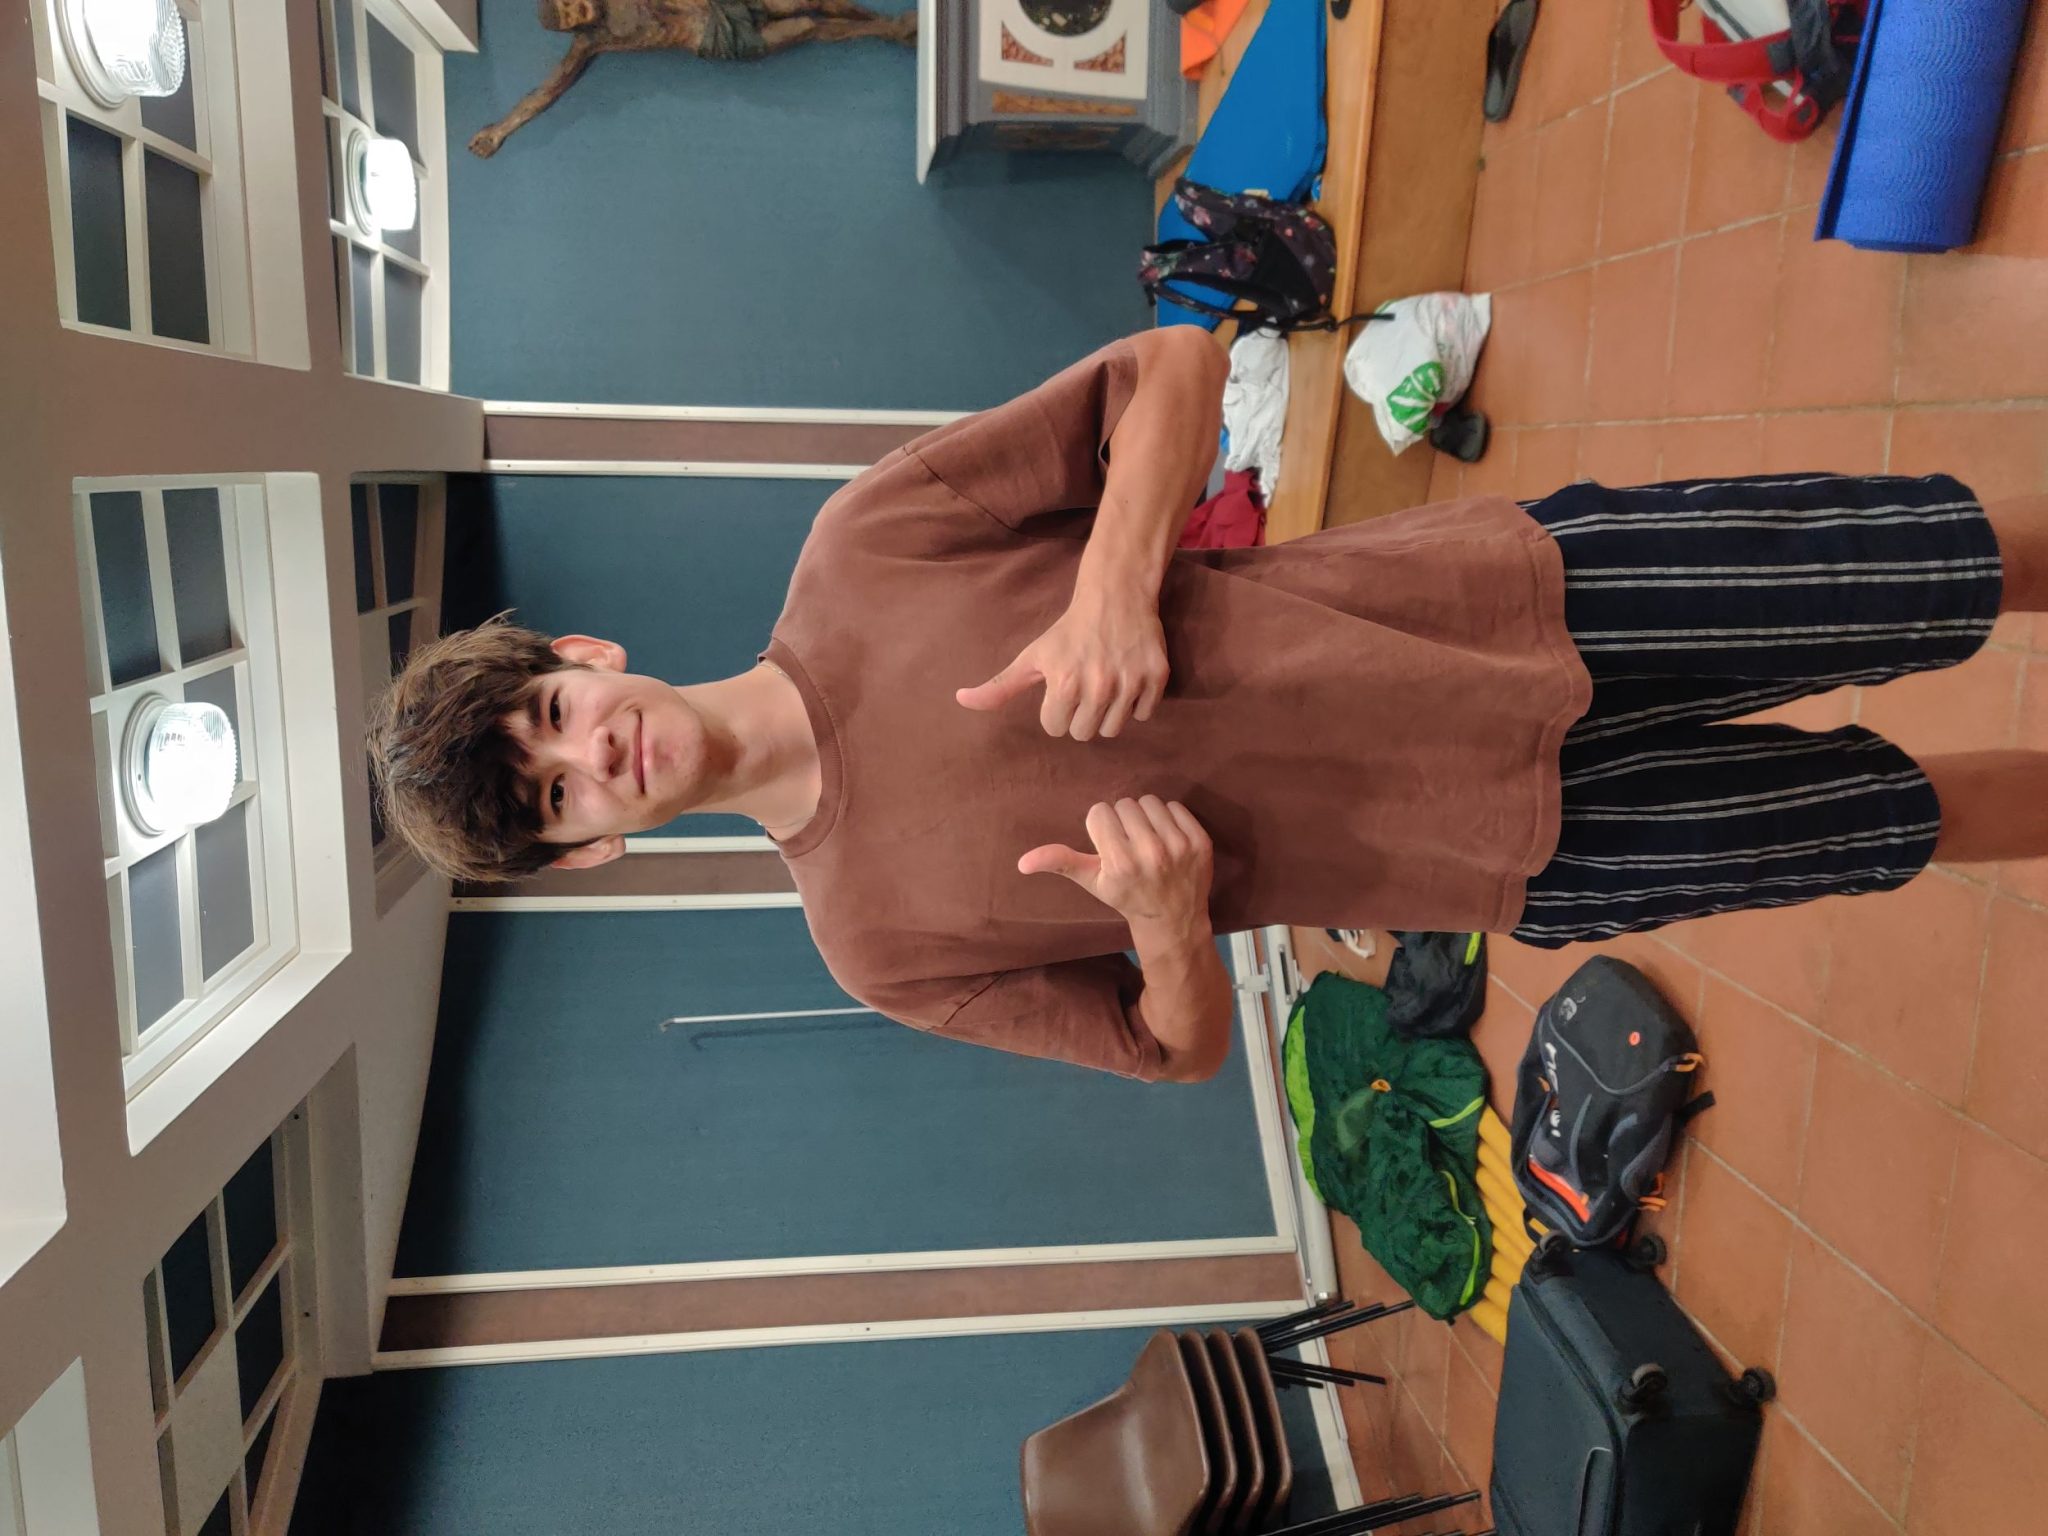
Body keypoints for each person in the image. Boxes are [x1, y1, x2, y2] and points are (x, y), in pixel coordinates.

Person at [371, 329, 2048, 1083]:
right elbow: (1167, 1054)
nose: (591, 757)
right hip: (1509, 853)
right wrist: (1170, 929)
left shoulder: (859, 546)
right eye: (559, 799)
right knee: (1904, 818)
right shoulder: (875, 951)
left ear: (583, 656)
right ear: (588, 854)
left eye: (551, 718)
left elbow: (1171, 366)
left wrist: (1114, 585)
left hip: (1504, 601)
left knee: (1935, 568)